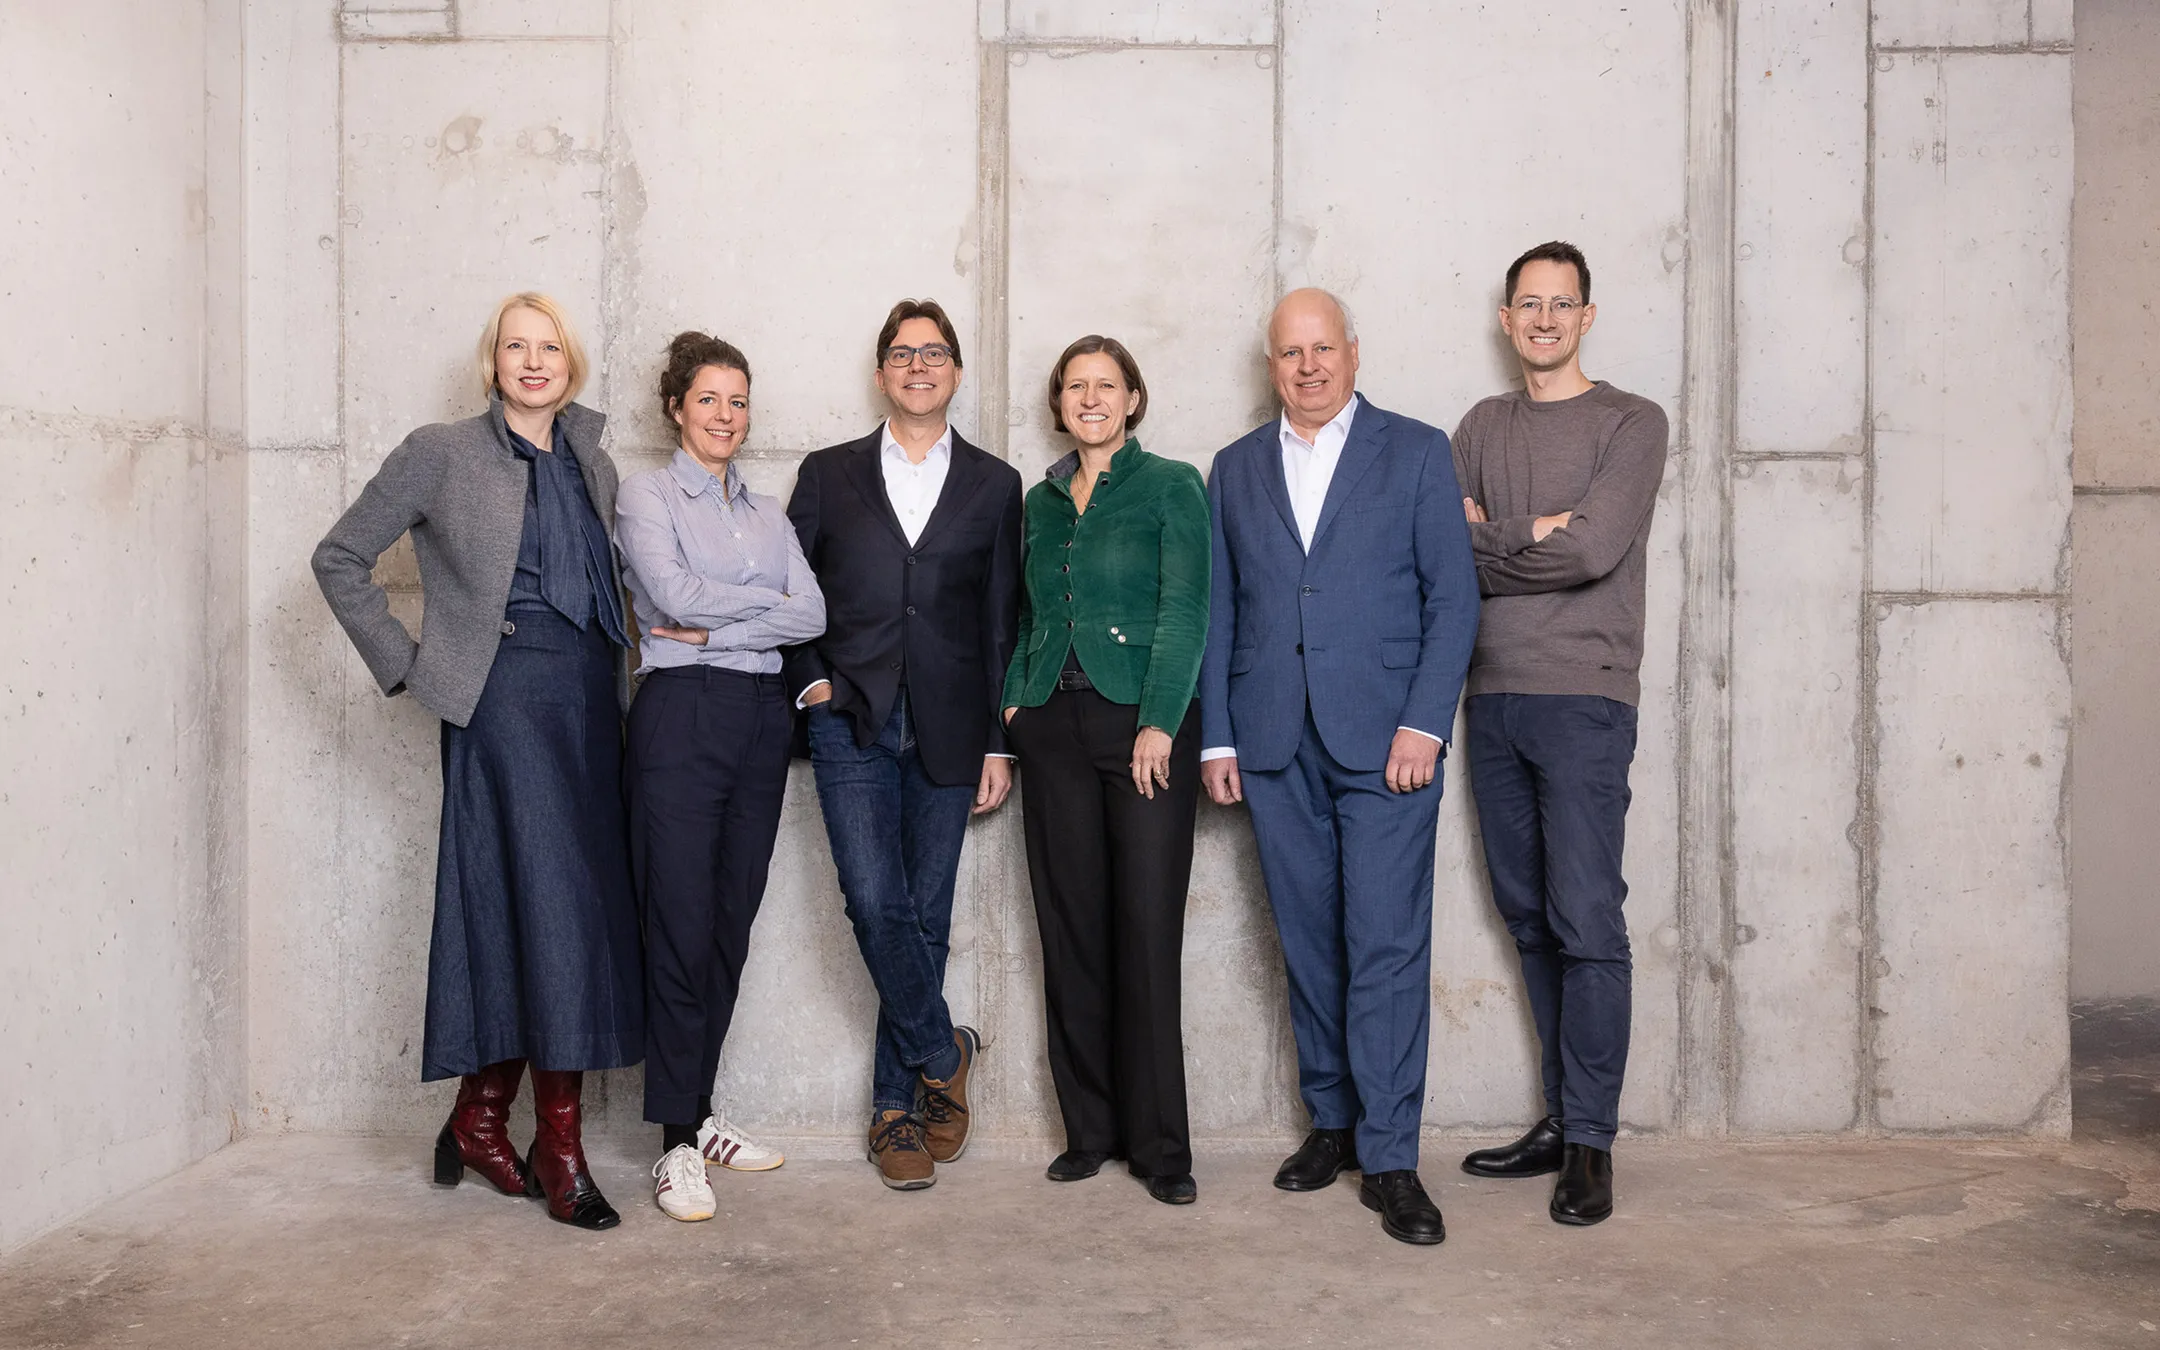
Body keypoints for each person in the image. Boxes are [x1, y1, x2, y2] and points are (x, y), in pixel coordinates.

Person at [312, 292, 642, 1231]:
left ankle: (478, 1119)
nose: (533, 362)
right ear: (491, 360)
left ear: (570, 363)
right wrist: (416, 670)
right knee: (553, 914)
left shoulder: (593, 461)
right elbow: (339, 559)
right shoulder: (441, 451)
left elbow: (609, 591)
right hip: (502, 705)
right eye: (515, 347)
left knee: (537, 911)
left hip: (587, 705)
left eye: (550, 348)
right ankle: (561, 1149)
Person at [1197, 288, 1479, 1246]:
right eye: (1290, 353)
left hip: (1387, 744)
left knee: (1388, 948)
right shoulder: (1233, 469)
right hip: (1275, 742)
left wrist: (1424, 726)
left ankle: (1392, 1157)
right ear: (1270, 365)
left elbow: (1455, 600)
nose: (1308, 366)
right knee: (1311, 943)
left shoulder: (1415, 450)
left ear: (1354, 354)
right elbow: (1224, 610)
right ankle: (1337, 1122)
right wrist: (1220, 736)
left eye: (1323, 349)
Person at [782, 298, 1024, 1190]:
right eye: (901, 353)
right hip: (850, 716)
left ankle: (895, 1113)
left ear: (955, 372)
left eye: (934, 353)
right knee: (874, 900)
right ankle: (942, 1049)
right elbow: (788, 586)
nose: (918, 365)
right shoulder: (828, 472)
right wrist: (810, 680)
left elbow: (1003, 621)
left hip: (956, 727)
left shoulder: (998, 487)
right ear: (881, 373)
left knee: (926, 916)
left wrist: (1003, 743)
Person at [1454, 241, 1668, 1227]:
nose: (1543, 319)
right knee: (1528, 916)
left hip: (1585, 699)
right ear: (1506, 320)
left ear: (1588, 315)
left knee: (1586, 920)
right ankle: (1558, 1119)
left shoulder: (1632, 421)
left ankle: (1591, 1142)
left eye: (1561, 304)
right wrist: (1523, 532)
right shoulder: (1480, 425)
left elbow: (1591, 547)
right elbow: (1448, 554)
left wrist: (1519, 534)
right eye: (1526, 304)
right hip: (1490, 698)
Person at [615, 332, 826, 1222]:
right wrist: (754, 616)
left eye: (738, 401)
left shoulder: (770, 511)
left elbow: (811, 609)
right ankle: (673, 1144)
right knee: (680, 919)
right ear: (675, 407)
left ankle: (699, 1112)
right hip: (679, 719)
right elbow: (673, 604)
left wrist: (722, 625)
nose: (726, 416)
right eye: (709, 399)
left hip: (758, 721)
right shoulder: (647, 494)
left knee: (730, 922)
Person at [1000, 337, 1210, 1206]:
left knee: (1147, 931)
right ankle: (1090, 1131)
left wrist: (1160, 720)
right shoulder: (1040, 501)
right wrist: (1016, 701)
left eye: (1106, 386)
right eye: (1075, 387)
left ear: (1132, 399)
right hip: (1052, 721)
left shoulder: (1172, 485)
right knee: (1072, 928)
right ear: (1059, 403)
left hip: (1141, 725)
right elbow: (1028, 611)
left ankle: (1161, 1149)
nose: (1091, 398)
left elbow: (1186, 607)